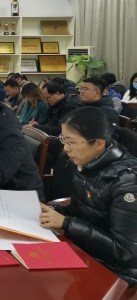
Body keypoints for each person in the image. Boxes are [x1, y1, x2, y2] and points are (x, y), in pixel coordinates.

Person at [39, 107, 137, 287]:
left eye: (71, 142)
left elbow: (125, 253)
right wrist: (51, 210)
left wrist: (66, 223)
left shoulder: (127, 181)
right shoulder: (87, 162)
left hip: (116, 270)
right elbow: (82, 211)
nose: (66, 148)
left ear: (99, 143)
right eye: (63, 139)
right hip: (85, 250)